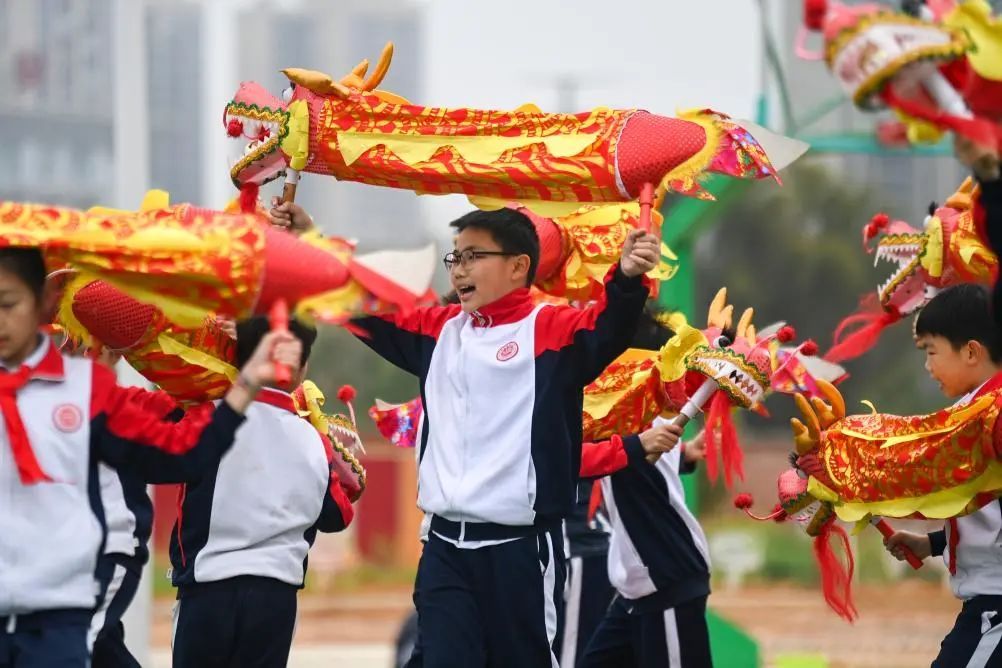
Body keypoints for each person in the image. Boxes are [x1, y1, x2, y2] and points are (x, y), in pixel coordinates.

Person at [352, 205, 658, 666]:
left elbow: (610, 326)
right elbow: (363, 309)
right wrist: (305, 243)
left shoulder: (551, 331)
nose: (460, 270)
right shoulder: (437, 332)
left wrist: (629, 278)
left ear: (519, 267)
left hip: (520, 551)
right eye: (455, 258)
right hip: (444, 549)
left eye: (475, 256)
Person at [0, 247, 295, 668]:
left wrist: (245, 382)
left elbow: (180, 449)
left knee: (86, 646)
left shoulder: (93, 395)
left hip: (78, 579)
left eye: (10, 305)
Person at [168, 316, 356, 668]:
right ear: (302, 367)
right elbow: (338, 514)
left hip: (209, 590)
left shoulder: (208, 417)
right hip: (276, 598)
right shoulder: (313, 439)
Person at [884, 283, 1002, 666]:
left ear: (971, 351)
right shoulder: (982, 408)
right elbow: (987, 505)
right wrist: (934, 543)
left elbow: (919, 470)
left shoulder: (985, 415)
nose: (927, 366)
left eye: (931, 351)